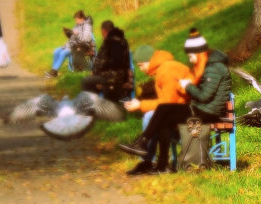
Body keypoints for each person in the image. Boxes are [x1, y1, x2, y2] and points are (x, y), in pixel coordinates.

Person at [117, 31, 232, 162]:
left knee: (162, 112)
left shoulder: (214, 68)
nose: (190, 59)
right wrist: (186, 87)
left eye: (191, 56)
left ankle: (145, 148)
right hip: (201, 108)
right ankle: (147, 149)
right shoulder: (207, 67)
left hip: (207, 112)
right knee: (163, 111)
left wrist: (187, 86)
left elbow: (204, 96)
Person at [121, 45, 192, 176]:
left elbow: (168, 103)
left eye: (142, 65)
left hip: (188, 113)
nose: (141, 69)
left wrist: (140, 105)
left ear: (151, 61)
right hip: (179, 110)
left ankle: (146, 157)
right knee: (151, 115)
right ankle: (147, 159)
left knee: (150, 116)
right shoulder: (163, 68)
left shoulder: (167, 71)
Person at [82, 20, 133, 102]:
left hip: (112, 76)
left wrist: (96, 70)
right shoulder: (121, 40)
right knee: (90, 80)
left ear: (104, 31)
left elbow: (111, 61)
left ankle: (94, 106)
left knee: (87, 82)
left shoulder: (112, 42)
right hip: (118, 74)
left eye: (102, 33)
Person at [45, 10, 95, 78]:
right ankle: (53, 71)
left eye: (77, 20)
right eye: (75, 20)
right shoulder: (77, 25)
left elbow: (86, 39)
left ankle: (54, 72)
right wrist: (69, 34)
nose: (76, 22)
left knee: (63, 53)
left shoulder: (87, 26)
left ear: (82, 18)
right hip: (72, 44)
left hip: (81, 46)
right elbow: (73, 38)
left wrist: (77, 34)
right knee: (56, 51)